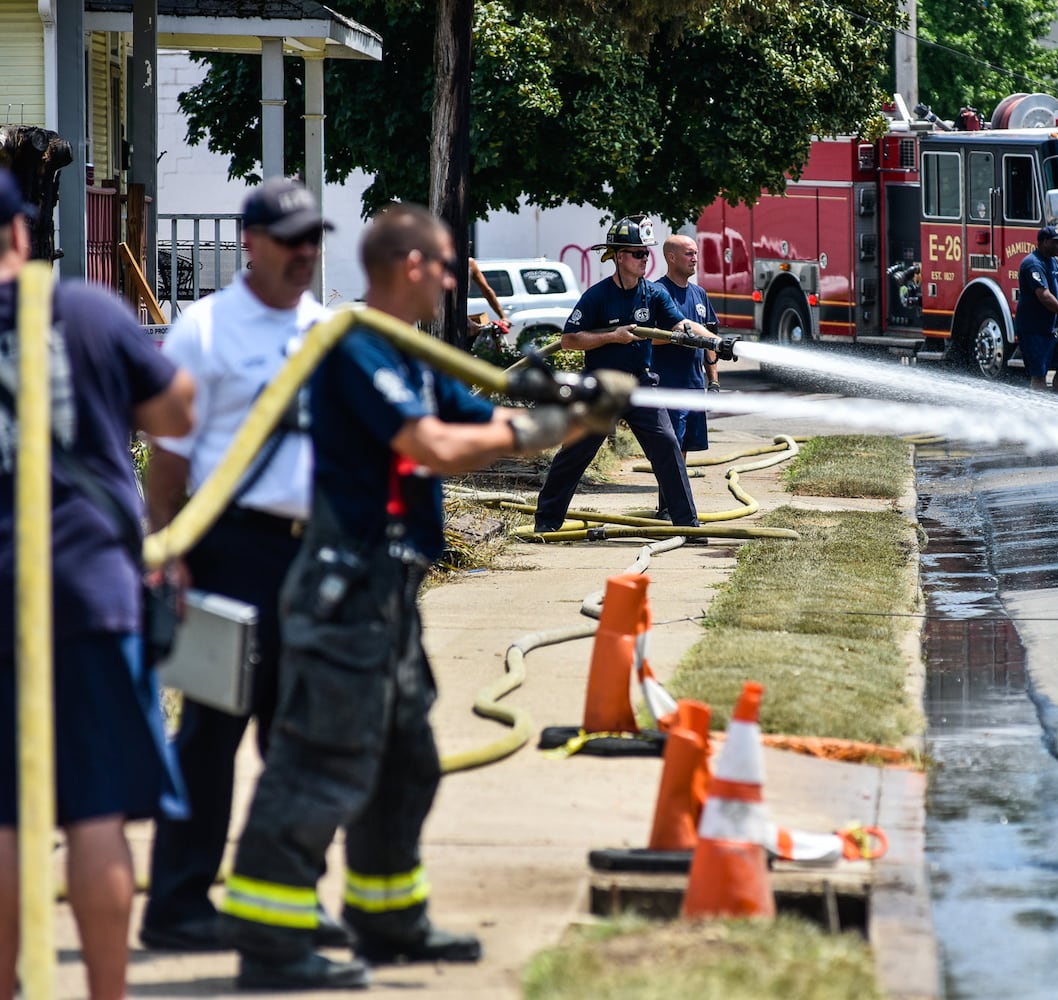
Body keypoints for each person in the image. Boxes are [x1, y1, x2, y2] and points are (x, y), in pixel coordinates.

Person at [218, 204, 630, 990]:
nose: (452, 279)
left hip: (390, 589)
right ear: (411, 267)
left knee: (408, 759)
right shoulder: (355, 346)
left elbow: (492, 418)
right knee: (322, 758)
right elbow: (431, 447)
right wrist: (538, 431)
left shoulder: (416, 354)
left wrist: (576, 412)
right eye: (445, 266)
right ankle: (272, 940)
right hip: (347, 584)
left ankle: (388, 919)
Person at [0, 168, 195, 1000]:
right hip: (89, 586)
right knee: (93, 815)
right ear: (22, 235)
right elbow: (178, 411)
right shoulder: (82, 310)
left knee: (5, 819)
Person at [141, 177, 348, 953]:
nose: (304, 253)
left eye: (312, 238)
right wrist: (170, 554)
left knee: (300, 740)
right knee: (209, 735)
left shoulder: (325, 330)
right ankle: (178, 904)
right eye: (289, 239)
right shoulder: (205, 329)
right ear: (249, 242)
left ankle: (285, 897)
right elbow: (169, 461)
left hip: (309, 553)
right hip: (227, 549)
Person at [532, 215, 717, 534]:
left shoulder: (654, 294)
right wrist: (610, 337)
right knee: (574, 454)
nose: (645, 259)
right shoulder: (598, 296)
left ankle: (688, 525)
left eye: (647, 253)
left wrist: (715, 341)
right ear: (619, 256)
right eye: (637, 253)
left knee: (669, 449)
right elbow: (569, 340)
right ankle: (546, 524)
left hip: (641, 385)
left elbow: (679, 325)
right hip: (601, 389)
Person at [654, 233, 719, 453]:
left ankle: (678, 488)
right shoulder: (657, 292)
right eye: (688, 254)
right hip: (668, 386)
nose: (694, 259)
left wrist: (714, 382)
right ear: (671, 258)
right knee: (670, 447)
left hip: (694, 386)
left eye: (696, 254)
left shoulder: (700, 294)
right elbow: (645, 337)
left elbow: (709, 340)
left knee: (685, 448)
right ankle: (671, 489)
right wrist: (678, 338)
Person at [1016, 225, 1058, 393]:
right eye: (1056, 242)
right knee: (1039, 374)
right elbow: (1044, 295)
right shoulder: (1032, 264)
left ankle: (1056, 402)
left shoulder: (1053, 261)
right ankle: (1041, 411)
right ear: (1043, 242)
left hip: (1053, 328)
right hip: (1034, 329)